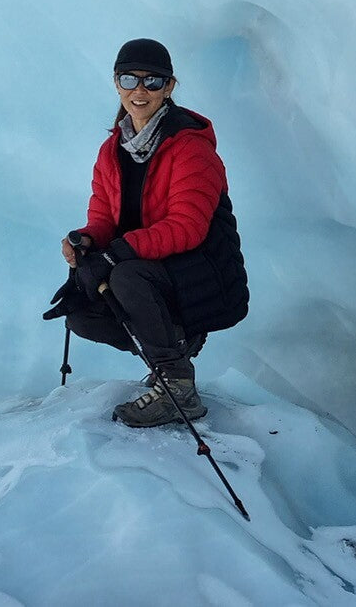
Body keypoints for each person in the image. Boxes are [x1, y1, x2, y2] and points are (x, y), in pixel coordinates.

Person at [43, 38, 249, 427]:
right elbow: (102, 218)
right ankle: (172, 351)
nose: (140, 90)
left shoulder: (190, 149)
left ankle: (178, 389)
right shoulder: (111, 151)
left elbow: (187, 228)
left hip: (205, 276)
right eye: (129, 79)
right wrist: (86, 242)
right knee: (82, 313)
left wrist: (115, 254)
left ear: (169, 87)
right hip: (153, 272)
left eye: (152, 81)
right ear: (116, 84)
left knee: (124, 274)